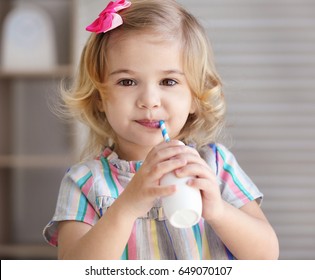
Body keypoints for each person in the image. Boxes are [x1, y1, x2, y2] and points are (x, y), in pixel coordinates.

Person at [43, 0, 279, 260]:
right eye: (127, 81)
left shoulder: (216, 166)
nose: (149, 100)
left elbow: (266, 256)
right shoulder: (84, 182)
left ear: (194, 96)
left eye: (169, 81)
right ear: (100, 98)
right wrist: (128, 205)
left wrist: (219, 211)